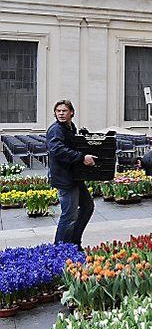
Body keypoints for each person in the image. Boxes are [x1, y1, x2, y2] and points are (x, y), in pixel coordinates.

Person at [46, 100, 97, 245]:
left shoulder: (70, 127)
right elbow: (57, 150)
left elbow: (73, 145)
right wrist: (81, 157)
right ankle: (60, 249)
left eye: (64, 111)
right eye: (58, 111)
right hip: (65, 179)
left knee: (87, 206)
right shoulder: (56, 129)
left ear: (72, 113)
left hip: (74, 176)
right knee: (68, 215)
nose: (61, 113)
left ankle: (74, 241)